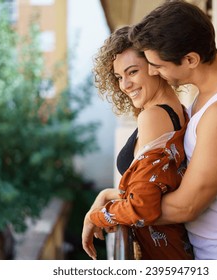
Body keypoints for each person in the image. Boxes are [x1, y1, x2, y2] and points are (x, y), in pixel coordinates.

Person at [128, 0, 217, 260]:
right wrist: (118, 197)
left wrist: (115, 211)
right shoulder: (209, 94)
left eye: (159, 65)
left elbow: (187, 206)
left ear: (190, 59)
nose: (152, 72)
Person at [81, 26, 193, 260]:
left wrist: (95, 217)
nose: (125, 85)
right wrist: (106, 194)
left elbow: (143, 207)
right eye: (120, 77)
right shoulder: (176, 109)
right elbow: (154, 188)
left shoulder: (153, 116)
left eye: (132, 72)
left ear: (155, 66)